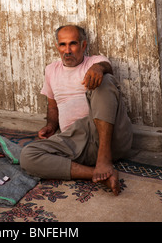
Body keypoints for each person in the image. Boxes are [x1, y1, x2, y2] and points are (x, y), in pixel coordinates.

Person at [20, 24, 133, 196]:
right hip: (75, 143)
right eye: (62, 45)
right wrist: (51, 126)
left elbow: (105, 66)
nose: (67, 50)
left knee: (105, 80)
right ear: (57, 46)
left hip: (108, 138)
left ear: (83, 45)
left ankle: (104, 159)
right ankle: (97, 174)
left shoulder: (95, 62)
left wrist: (99, 69)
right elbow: (53, 106)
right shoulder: (51, 70)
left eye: (73, 44)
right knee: (28, 155)